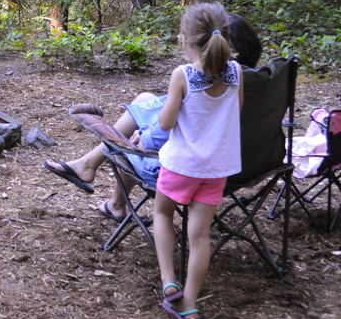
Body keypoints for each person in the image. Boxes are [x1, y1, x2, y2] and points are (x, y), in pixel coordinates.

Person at [43, 13, 261, 221]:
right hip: (241, 164)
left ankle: (104, 186)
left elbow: (169, 130)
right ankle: (91, 168)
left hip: (192, 168)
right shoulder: (247, 82)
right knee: (144, 99)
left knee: (131, 140)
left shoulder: (205, 81)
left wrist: (144, 136)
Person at [154, 2, 243, 319]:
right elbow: (238, 109)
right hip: (216, 169)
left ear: (186, 42)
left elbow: (165, 124)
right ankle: (189, 304)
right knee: (199, 235)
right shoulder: (236, 72)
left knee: (162, 214)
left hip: (181, 166)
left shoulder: (183, 75)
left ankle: (168, 281)